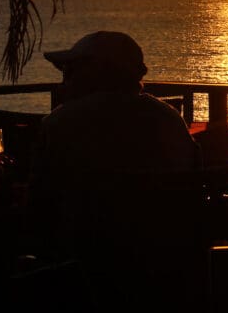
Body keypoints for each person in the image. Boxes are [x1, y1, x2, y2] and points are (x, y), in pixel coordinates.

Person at [28, 31, 202, 264]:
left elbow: (40, 202)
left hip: (83, 262)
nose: (63, 82)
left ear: (92, 74)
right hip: (168, 258)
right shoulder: (169, 119)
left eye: (69, 72)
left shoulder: (61, 123)